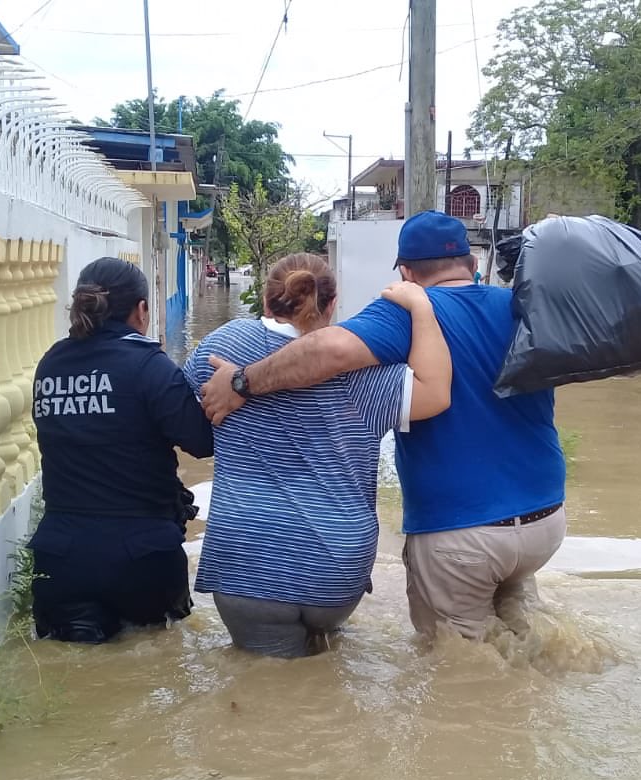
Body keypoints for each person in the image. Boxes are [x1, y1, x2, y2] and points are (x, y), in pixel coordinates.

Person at [200, 212, 567, 641]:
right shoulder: (521, 308)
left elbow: (329, 349)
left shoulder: (406, 312)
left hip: (461, 530)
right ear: (471, 264)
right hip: (546, 520)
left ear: (407, 273)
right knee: (525, 638)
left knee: (459, 672)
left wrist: (243, 382)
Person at [182, 253, 452, 658]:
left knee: (270, 690)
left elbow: (182, 418)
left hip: (247, 564)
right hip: (335, 569)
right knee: (327, 672)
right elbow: (435, 393)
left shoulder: (221, 346)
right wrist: (421, 308)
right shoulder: (363, 372)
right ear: (333, 301)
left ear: (266, 297)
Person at [29, 257, 213, 645]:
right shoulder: (149, 366)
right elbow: (202, 442)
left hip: (60, 561)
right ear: (142, 309)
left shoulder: (50, 364)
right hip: (142, 558)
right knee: (156, 668)